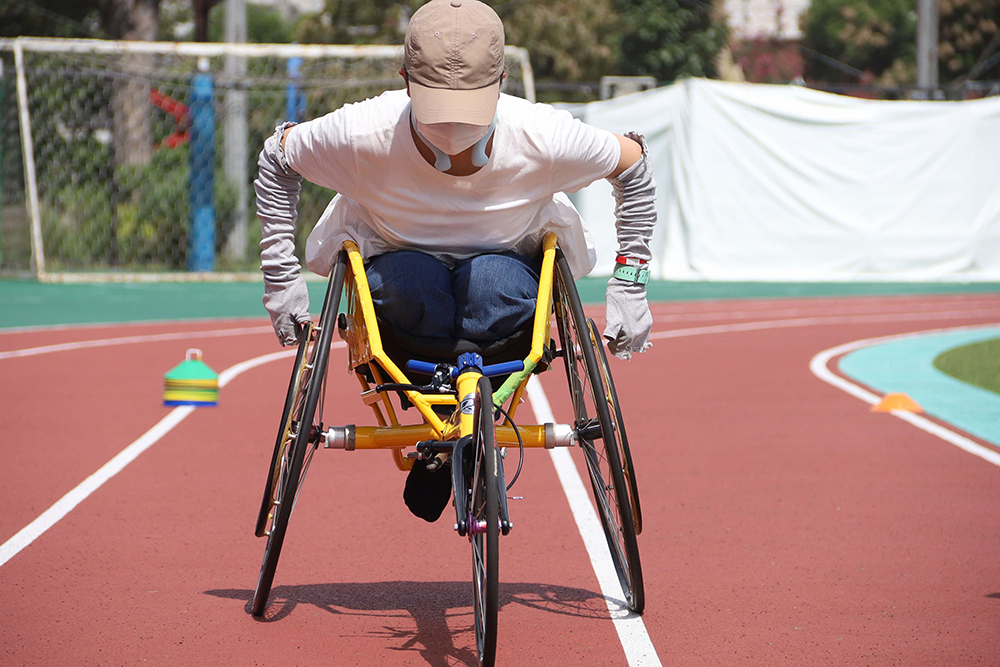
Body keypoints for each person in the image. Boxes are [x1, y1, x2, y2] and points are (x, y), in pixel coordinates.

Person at [255, 0, 657, 521]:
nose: (451, 127)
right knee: (413, 278)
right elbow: (277, 159)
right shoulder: (362, 133)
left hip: (502, 289)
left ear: (503, 81)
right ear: (403, 80)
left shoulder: (544, 134)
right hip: (400, 289)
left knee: (488, 280)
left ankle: (455, 437)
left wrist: (630, 285)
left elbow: (634, 167)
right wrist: (281, 279)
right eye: (435, 105)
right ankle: (449, 439)